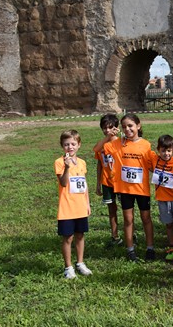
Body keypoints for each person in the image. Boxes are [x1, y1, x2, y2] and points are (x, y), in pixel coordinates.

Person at [98, 114, 155, 262]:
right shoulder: (117, 144)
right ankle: (130, 250)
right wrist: (108, 137)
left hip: (142, 189)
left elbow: (151, 166)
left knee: (146, 219)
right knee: (128, 220)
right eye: (124, 127)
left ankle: (150, 248)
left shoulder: (146, 145)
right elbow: (96, 149)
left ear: (138, 126)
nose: (127, 129)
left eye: (130, 126)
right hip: (125, 190)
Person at [55, 130, 92, 279]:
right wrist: (67, 167)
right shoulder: (59, 162)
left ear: (79, 145)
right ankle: (68, 267)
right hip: (66, 207)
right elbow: (63, 183)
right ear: (62, 146)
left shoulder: (82, 162)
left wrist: (87, 203)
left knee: (80, 235)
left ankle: (80, 263)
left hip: (80, 206)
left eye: (73, 144)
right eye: (66, 144)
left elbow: (84, 185)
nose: (70, 147)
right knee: (68, 237)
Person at [149, 135, 173, 261]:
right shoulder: (154, 160)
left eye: (169, 150)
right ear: (158, 149)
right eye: (163, 150)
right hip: (162, 199)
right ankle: (172, 247)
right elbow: (144, 149)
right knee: (169, 224)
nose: (166, 153)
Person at [93, 113, 122, 247]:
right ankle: (115, 235)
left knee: (128, 209)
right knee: (112, 209)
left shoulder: (121, 143)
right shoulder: (102, 144)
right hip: (107, 182)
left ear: (116, 127)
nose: (107, 130)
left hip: (121, 182)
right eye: (104, 128)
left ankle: (130, 233)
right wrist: (98, 184)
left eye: (110, 127)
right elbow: (99, 163)